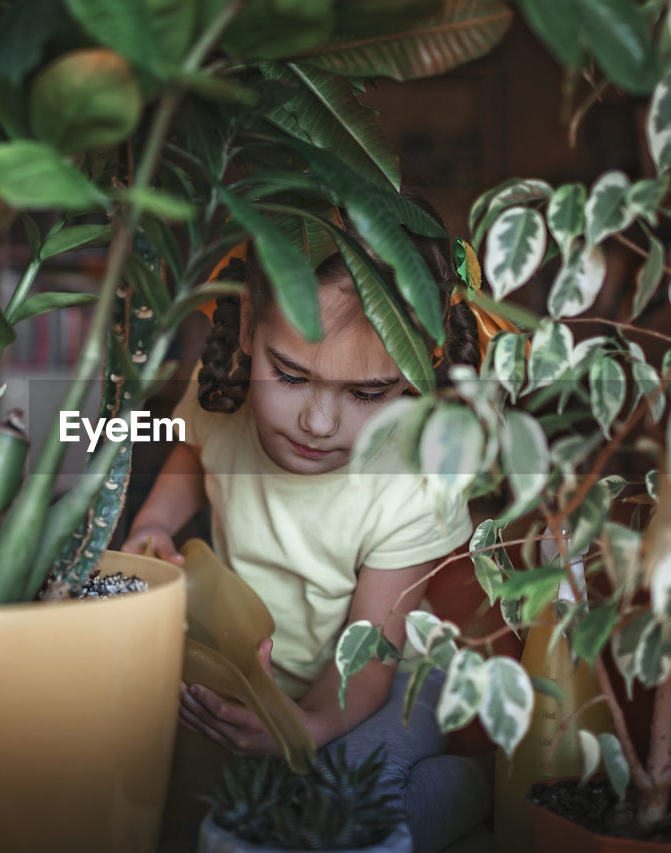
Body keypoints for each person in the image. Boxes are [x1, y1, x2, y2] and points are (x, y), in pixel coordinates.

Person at [122, 213, 497, 852]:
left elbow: (372, 651)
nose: (319, 422)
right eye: (291, 376)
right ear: (246, 328)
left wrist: (311, 723)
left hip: (391, 678)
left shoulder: (414, 479)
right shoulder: (225, 396)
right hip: (275, 670)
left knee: (349, 809)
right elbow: (194, 451)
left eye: (369, 393)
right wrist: (154, 522)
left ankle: (472, 790)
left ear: (417, 374)